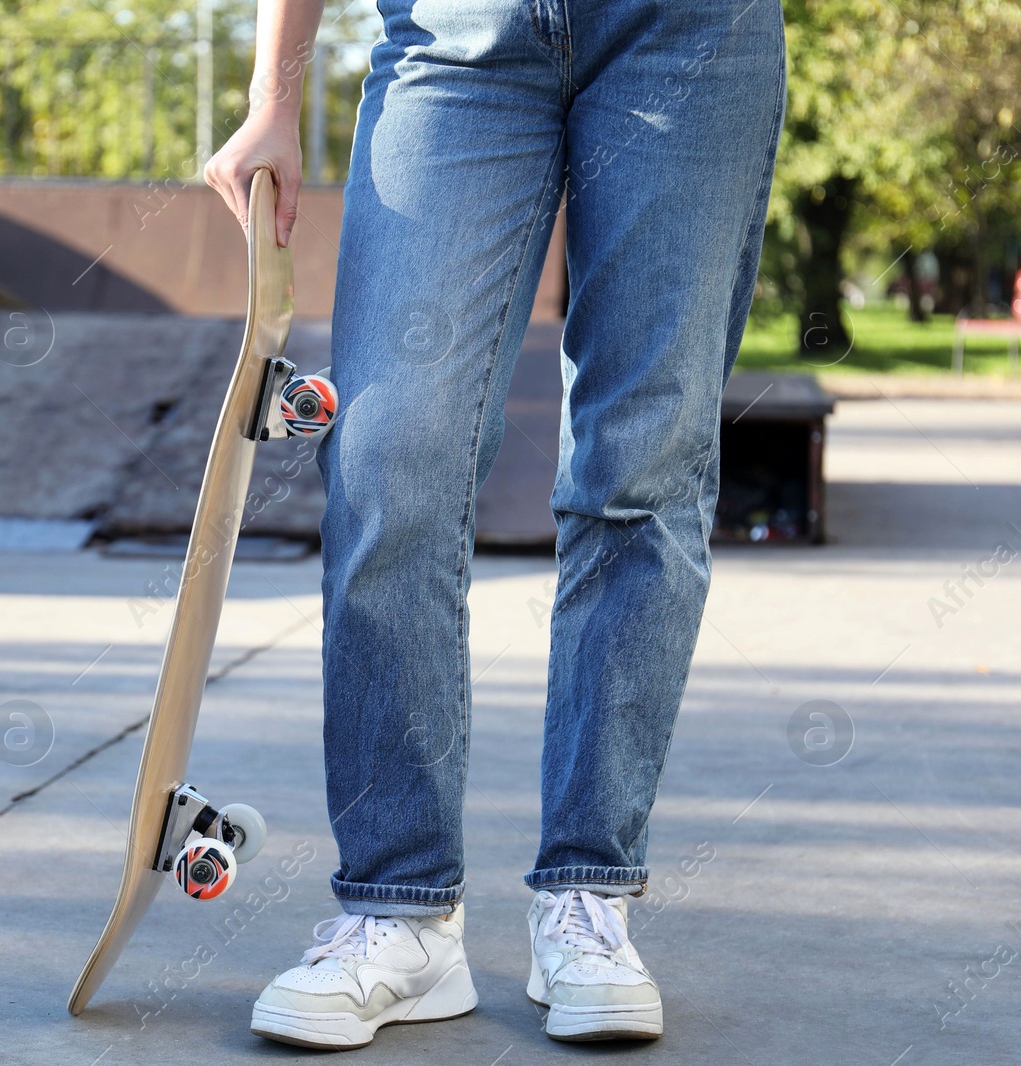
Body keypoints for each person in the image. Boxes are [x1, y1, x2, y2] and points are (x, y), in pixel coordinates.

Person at [204, 0, 785, 1048]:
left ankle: (587, 898)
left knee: (639, 469)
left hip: (692, 36)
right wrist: (271, 100)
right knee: (389, 454)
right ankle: (399, 909)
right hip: (452, 36)